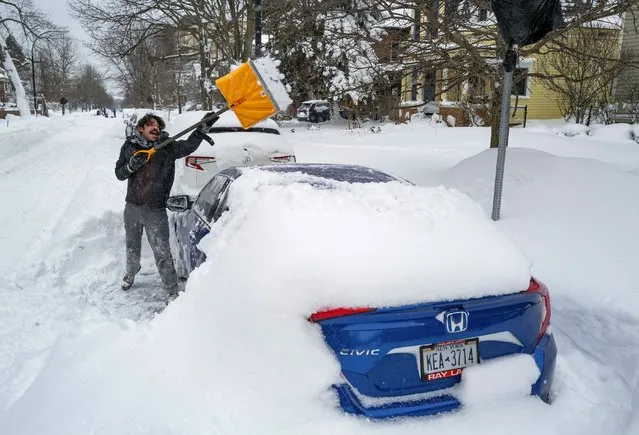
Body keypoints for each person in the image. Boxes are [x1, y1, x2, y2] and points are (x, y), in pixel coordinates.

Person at [115, 112, 218, 299]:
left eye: (158, 126)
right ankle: (131, 272)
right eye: (151, 125)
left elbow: (188, 146)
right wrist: (131, 166)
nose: (156, 128)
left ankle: (171, 290)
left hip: (155, 209)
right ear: (140, 128)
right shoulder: (129, 146)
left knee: (162, 251)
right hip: (132, 207)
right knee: (132, 245)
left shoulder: (167, 147)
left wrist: (203, 128)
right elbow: (119, 173)